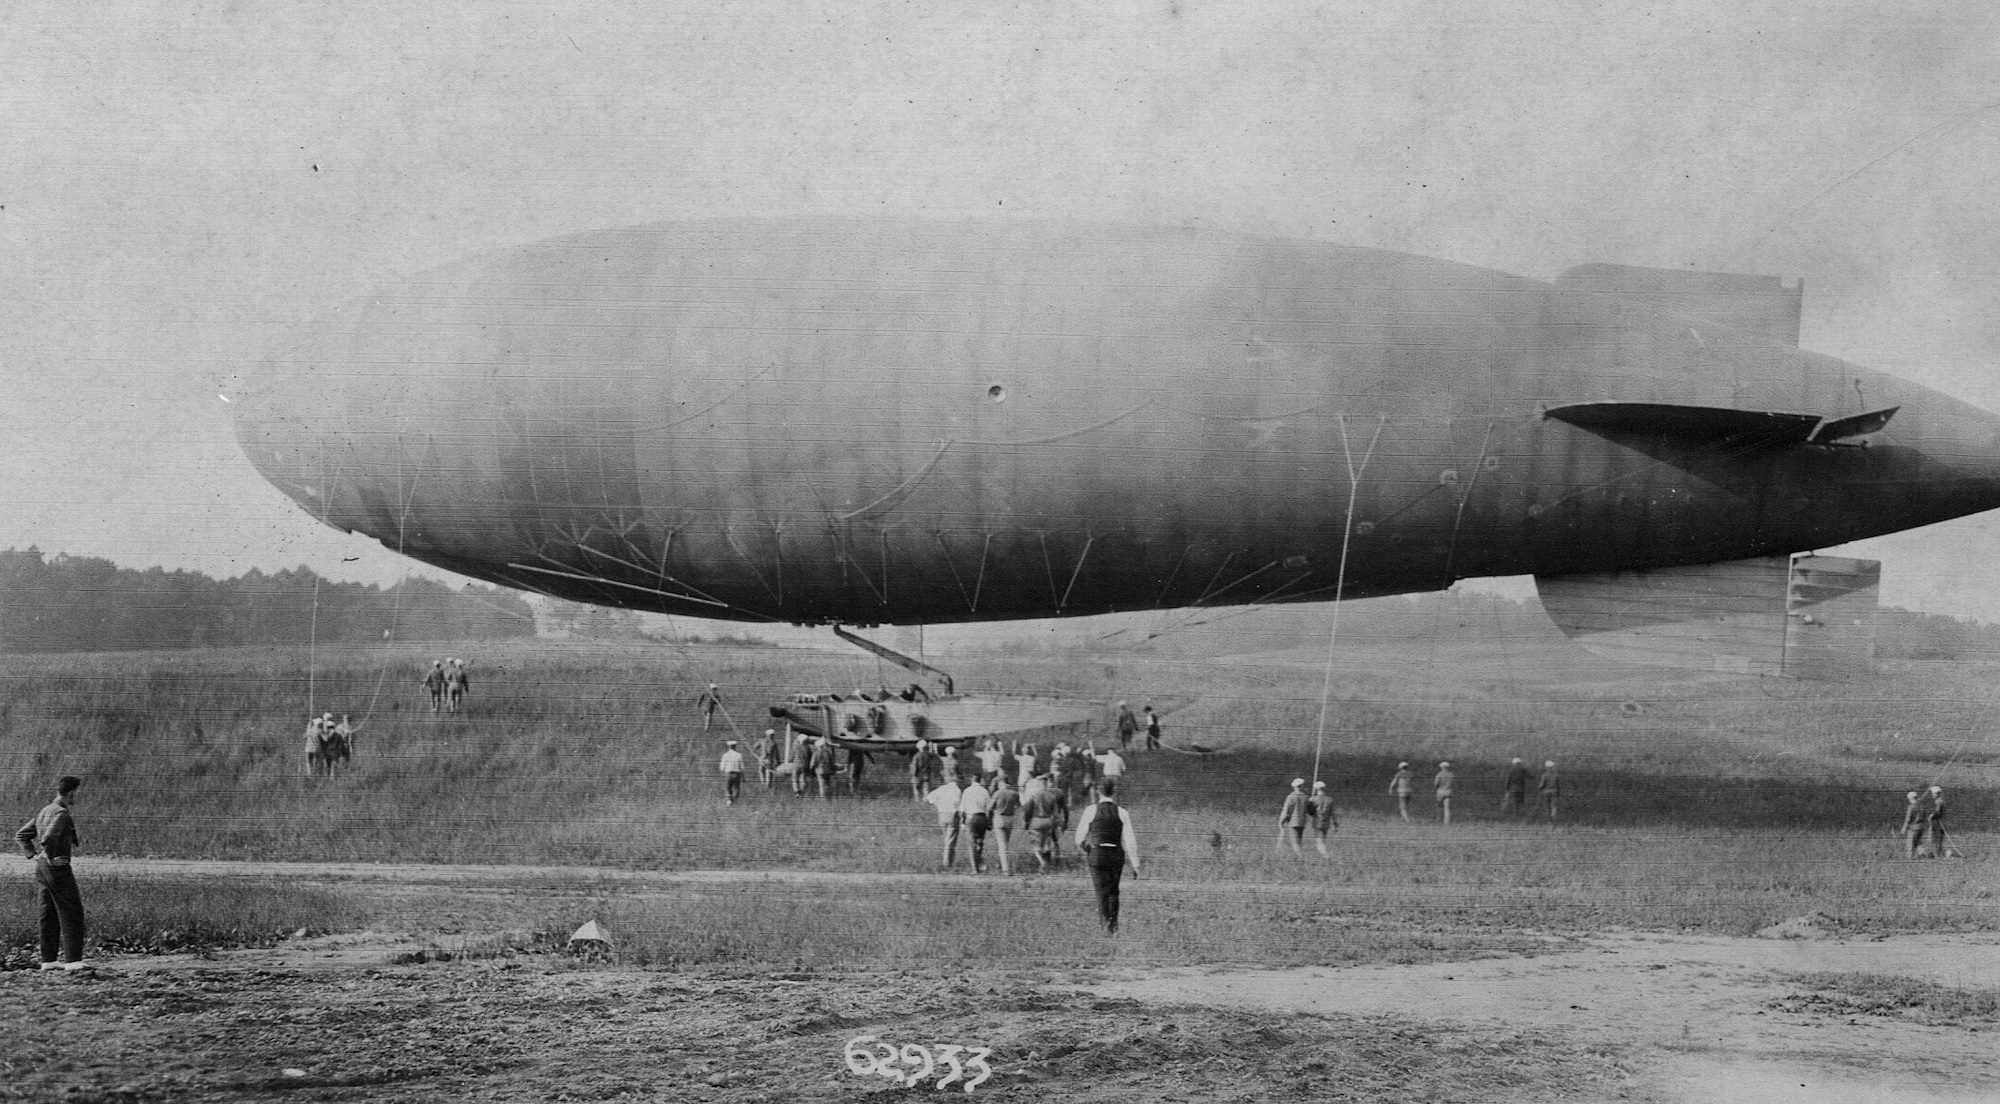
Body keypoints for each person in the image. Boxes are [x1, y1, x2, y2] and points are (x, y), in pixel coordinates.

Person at [16, 776, 87, 971]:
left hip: (41, 869)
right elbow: (49, 838)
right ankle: (73, 961)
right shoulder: (62, 813)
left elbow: (22, 835)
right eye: (77, 792)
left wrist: (34, 855)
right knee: (72, 911)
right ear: (71, 792)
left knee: (48, 913)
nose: (77, 796)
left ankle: (49, 960)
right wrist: (50, 858)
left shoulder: (45, 810)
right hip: (57, 868)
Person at [1074, 779, 1142, 933]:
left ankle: (1106, 927)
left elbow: (1079, 838)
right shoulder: (1122, 812)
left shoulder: (1091, 810)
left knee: (1101, 891)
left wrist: (1088, 849)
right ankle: (1114, 925)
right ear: (1114, 791)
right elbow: (1130, 841)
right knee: (1114, 890)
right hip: (1116, 854)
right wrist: (1135, 865)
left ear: (1098, 791)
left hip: (1098, 853)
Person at [1025, 772, 1068, 872]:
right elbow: (1056, 813)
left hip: (1036, 820)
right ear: (1046, 783)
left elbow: (1028, 811)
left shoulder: (1034, 795)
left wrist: (1027, 821)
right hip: (1048, 821)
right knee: (1046, 843)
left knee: (1035, 844)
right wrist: (1060, 823)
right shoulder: (1051, 796)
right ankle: (1048, 866)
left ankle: (1042, 862)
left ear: (1039, 784)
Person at [957, 774, 994, 873]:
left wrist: (962, 822)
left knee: (971, 843)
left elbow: (962, 809)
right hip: (982, 817)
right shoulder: (985, 791)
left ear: (972, 780)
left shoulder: (967, 791)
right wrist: (989, 822)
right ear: (981, 780)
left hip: (971, 817)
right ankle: (980, 862)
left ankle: (975, 868)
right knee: (980, 842)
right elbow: (989, 808)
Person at [927, 775, 965, 870]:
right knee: (950, 840)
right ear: (958, 782)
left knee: (947, 839)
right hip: (952, 815)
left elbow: (929, 797)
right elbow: (958, 805)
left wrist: (938, 804)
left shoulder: (942, 788)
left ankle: (949, 861)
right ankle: (947, 863)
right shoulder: (957, 790)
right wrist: (961, 819)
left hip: (942, 815)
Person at [990, 776, 1022, 875]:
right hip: (1010, 818)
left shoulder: (997, 793)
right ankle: (1002, 864)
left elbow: (990, 807)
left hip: (999, 817)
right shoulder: (1014, 793)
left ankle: (1005, 869)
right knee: (1006, 843)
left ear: (1001, 783)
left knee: (1001, 844)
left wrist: (989, 818)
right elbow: (1019, 805)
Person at [1277, 777, 1309, 855]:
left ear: (1294, 787)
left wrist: (1281, 821)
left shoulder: (1291, 797)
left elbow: (1286, 811)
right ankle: (1299, 858)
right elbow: (1309, 810)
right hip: (1302, 822)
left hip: (1293, 822)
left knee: (1295, 843)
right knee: (1298, 841)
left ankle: (1301, 858)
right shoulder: (1306, 797)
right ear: (1301, 786)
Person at [1307, 780, 1339, 857]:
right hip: (1326, 823)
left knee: (1319, 842)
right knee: (1323, 841)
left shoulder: (1313, 799)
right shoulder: (1329, 799)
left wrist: (1310, 804)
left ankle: (1326, 857)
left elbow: (1310, 812)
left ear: (1316, 789)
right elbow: (1333, 813)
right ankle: (1323, 857)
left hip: (1317, 823)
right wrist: (1335, 824)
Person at [1901, 790, 1930, 859]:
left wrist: (1904, 828)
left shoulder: (1911, 807)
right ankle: (1923, 855)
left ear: (1910, 798)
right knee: (1918, 842)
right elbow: (1926, 817)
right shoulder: (1922, 806)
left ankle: (1910, 858)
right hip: (1921, 827)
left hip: (1913, 828)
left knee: (1910, 843)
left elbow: (1908, 819)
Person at [719, 740, 745, 805]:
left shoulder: (725, 755)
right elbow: (742, 767)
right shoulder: (739, 755)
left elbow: (722, 767)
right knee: (736, 788)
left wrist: (724, 773)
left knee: (728, 787)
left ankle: (730, 800)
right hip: (737, 774)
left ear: (729, 747)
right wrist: (743, 777)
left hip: (729, 773)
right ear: (735, 747)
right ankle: (735, 801)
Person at [1928, 785, 1950, 858]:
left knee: (1936, 840)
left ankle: (1937, 855)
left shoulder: (1939, 801)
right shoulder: (1940, 801)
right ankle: (1938, 854)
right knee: (1938, 840)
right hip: (1940, 824)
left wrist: (1931, 816)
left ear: (1937, 793)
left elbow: (1937, 812)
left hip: (1938, 825)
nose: (1932, 795)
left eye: (1933, 793)